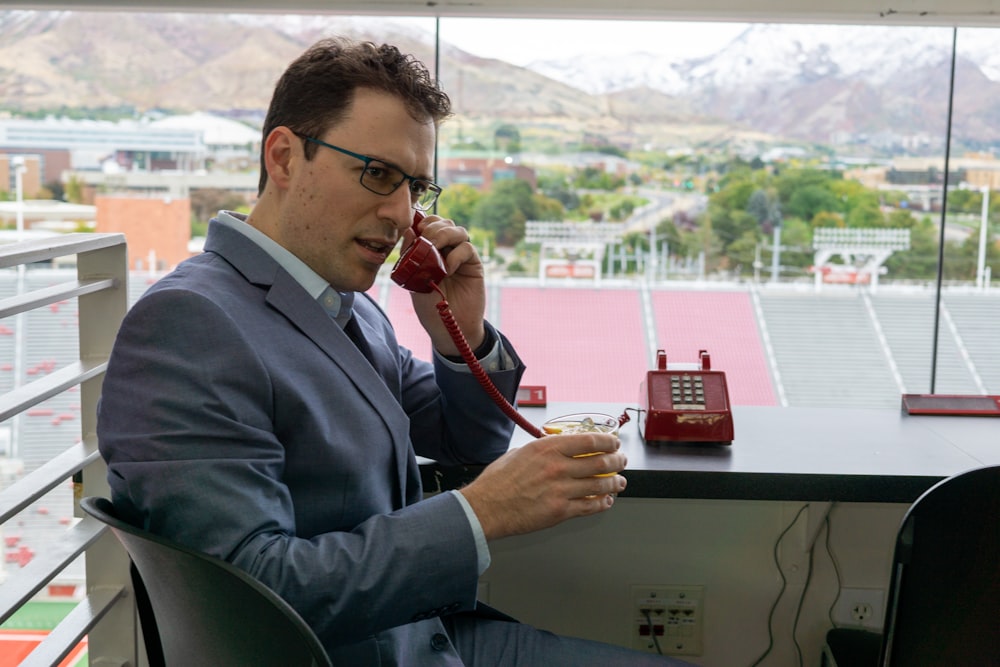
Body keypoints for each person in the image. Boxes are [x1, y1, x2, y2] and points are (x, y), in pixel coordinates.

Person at [97, 37, 694, 666]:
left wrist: (460, 334)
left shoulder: (345, 307)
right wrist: (479, 514)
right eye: (378, 174)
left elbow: (470, 439)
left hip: (424, 637)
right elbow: (253, 593)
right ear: (283, 157)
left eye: (416, 187)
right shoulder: (190, 325)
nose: (402, 214)